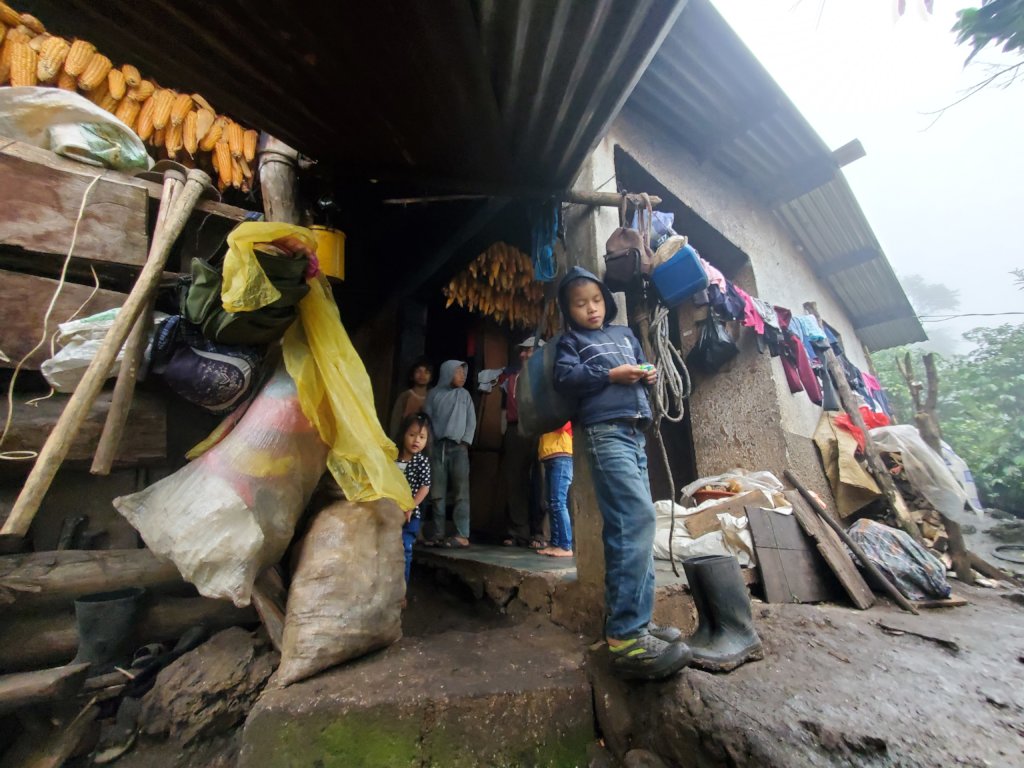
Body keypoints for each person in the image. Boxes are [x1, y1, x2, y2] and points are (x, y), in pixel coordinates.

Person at [553, 265, 689, 681]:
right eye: (580, 304)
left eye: (596, 300)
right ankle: (627, 637)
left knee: (633, 527)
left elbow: (641, 366)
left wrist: (647, 374)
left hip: (635, 433)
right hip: (604, 433)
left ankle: (635, 622)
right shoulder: (571, 342)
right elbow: (565, 378)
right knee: (635, 521)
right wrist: (611, 375)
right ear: (568, 310)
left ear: (606, 301)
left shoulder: (625, 334)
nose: (591, 308)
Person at [422, 360, 475, 548]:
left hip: (458, 448)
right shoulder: (433, 395)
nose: (463, 376)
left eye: (463, 372)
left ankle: (462, 534)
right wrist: (429, 444)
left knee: (461, 492)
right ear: (447, 373)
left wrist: (465, 442)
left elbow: (471, 421)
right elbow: (427, 420)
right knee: (437, 492)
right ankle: (438, 533)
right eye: (458, 372)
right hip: (437, 448)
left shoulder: (465, 395)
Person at [500, 337, 546, 549]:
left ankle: (540, 532)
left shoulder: (548, 376)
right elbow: (504, 407)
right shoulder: (512, 376)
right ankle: (518, 531)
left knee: (542, 481)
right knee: (515, 480)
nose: (523, 354)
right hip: (515, 428)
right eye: (522, 351)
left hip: (541, 429)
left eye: (528, 350)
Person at [395, 412, 431, 586]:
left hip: (410, 515)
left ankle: (402, 588)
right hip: (390, 511)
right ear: (403, 434)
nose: (417, 440)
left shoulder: (422, 462)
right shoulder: (392, 457)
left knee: (405, 549)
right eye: (412, 435)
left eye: (422, 437)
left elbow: (425, 487)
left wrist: (410, 505)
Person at [537, 422, 573, 557]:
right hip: (550, 455)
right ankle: (555, 543)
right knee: (551, 503)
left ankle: (565, 545)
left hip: (562, 455)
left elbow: (561, 424)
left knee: (558, 502)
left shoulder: (558, 410)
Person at [389, 358, 433, 441]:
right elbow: (395, 421)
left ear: (431, 377)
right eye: (418, 371)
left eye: (426, 372)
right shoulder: (405, 396)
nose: (422, 375)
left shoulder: (433, 397)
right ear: (412, 375)